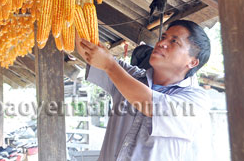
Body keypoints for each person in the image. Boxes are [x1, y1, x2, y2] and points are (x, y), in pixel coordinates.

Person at [76, 20, 212, 161]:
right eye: (163, 37)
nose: (161, 43)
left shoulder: (196, 100)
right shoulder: (130, 75)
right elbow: (88, 51)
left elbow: (149, 104)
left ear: (192, 62)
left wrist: (110, 65)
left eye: (174, 42)